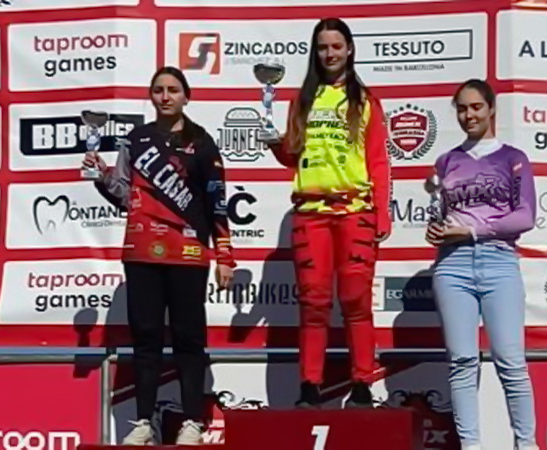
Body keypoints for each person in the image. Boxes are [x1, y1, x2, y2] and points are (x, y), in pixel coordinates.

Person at [82, 66, 235, 445]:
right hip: (141, 250)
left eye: (173, 90)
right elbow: (123, 193)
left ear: (186, 96)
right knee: (146, 337)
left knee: (188, 337)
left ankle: (192, 421)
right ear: (151, 97)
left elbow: (217, 201)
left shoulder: (202, 142)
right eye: (158, 90)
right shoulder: (136, 139)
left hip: (188, 252)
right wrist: (101, 176)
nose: (165, 97)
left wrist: (225, 254)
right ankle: (143, 422)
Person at [265, 17, 392, 408]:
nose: (330, 53)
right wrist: (275, 143)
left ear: (349, 49)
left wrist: (382, 213)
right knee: (314, 303)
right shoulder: (302, 99)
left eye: (336, 46)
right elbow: (293, 155)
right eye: (323, 47)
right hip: (311, 213)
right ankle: (310, 385)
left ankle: (362, 384)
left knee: (356, 300)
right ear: (315, 52)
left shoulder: (365, 101)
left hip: (355, 210)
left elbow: (378, 161)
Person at [425, 79, 538, 450]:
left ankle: (526, 444)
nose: (469, 115)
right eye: (462, 108)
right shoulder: (446, 161)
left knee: (510, 361)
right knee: (461, 362)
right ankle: (470, 446)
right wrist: (438, 230)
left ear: (491, 109)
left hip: (499, 261)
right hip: (452, 266)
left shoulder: (513, 158)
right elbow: (444, 215)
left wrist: (472, 231)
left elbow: (524, 216)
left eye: (475, 107)